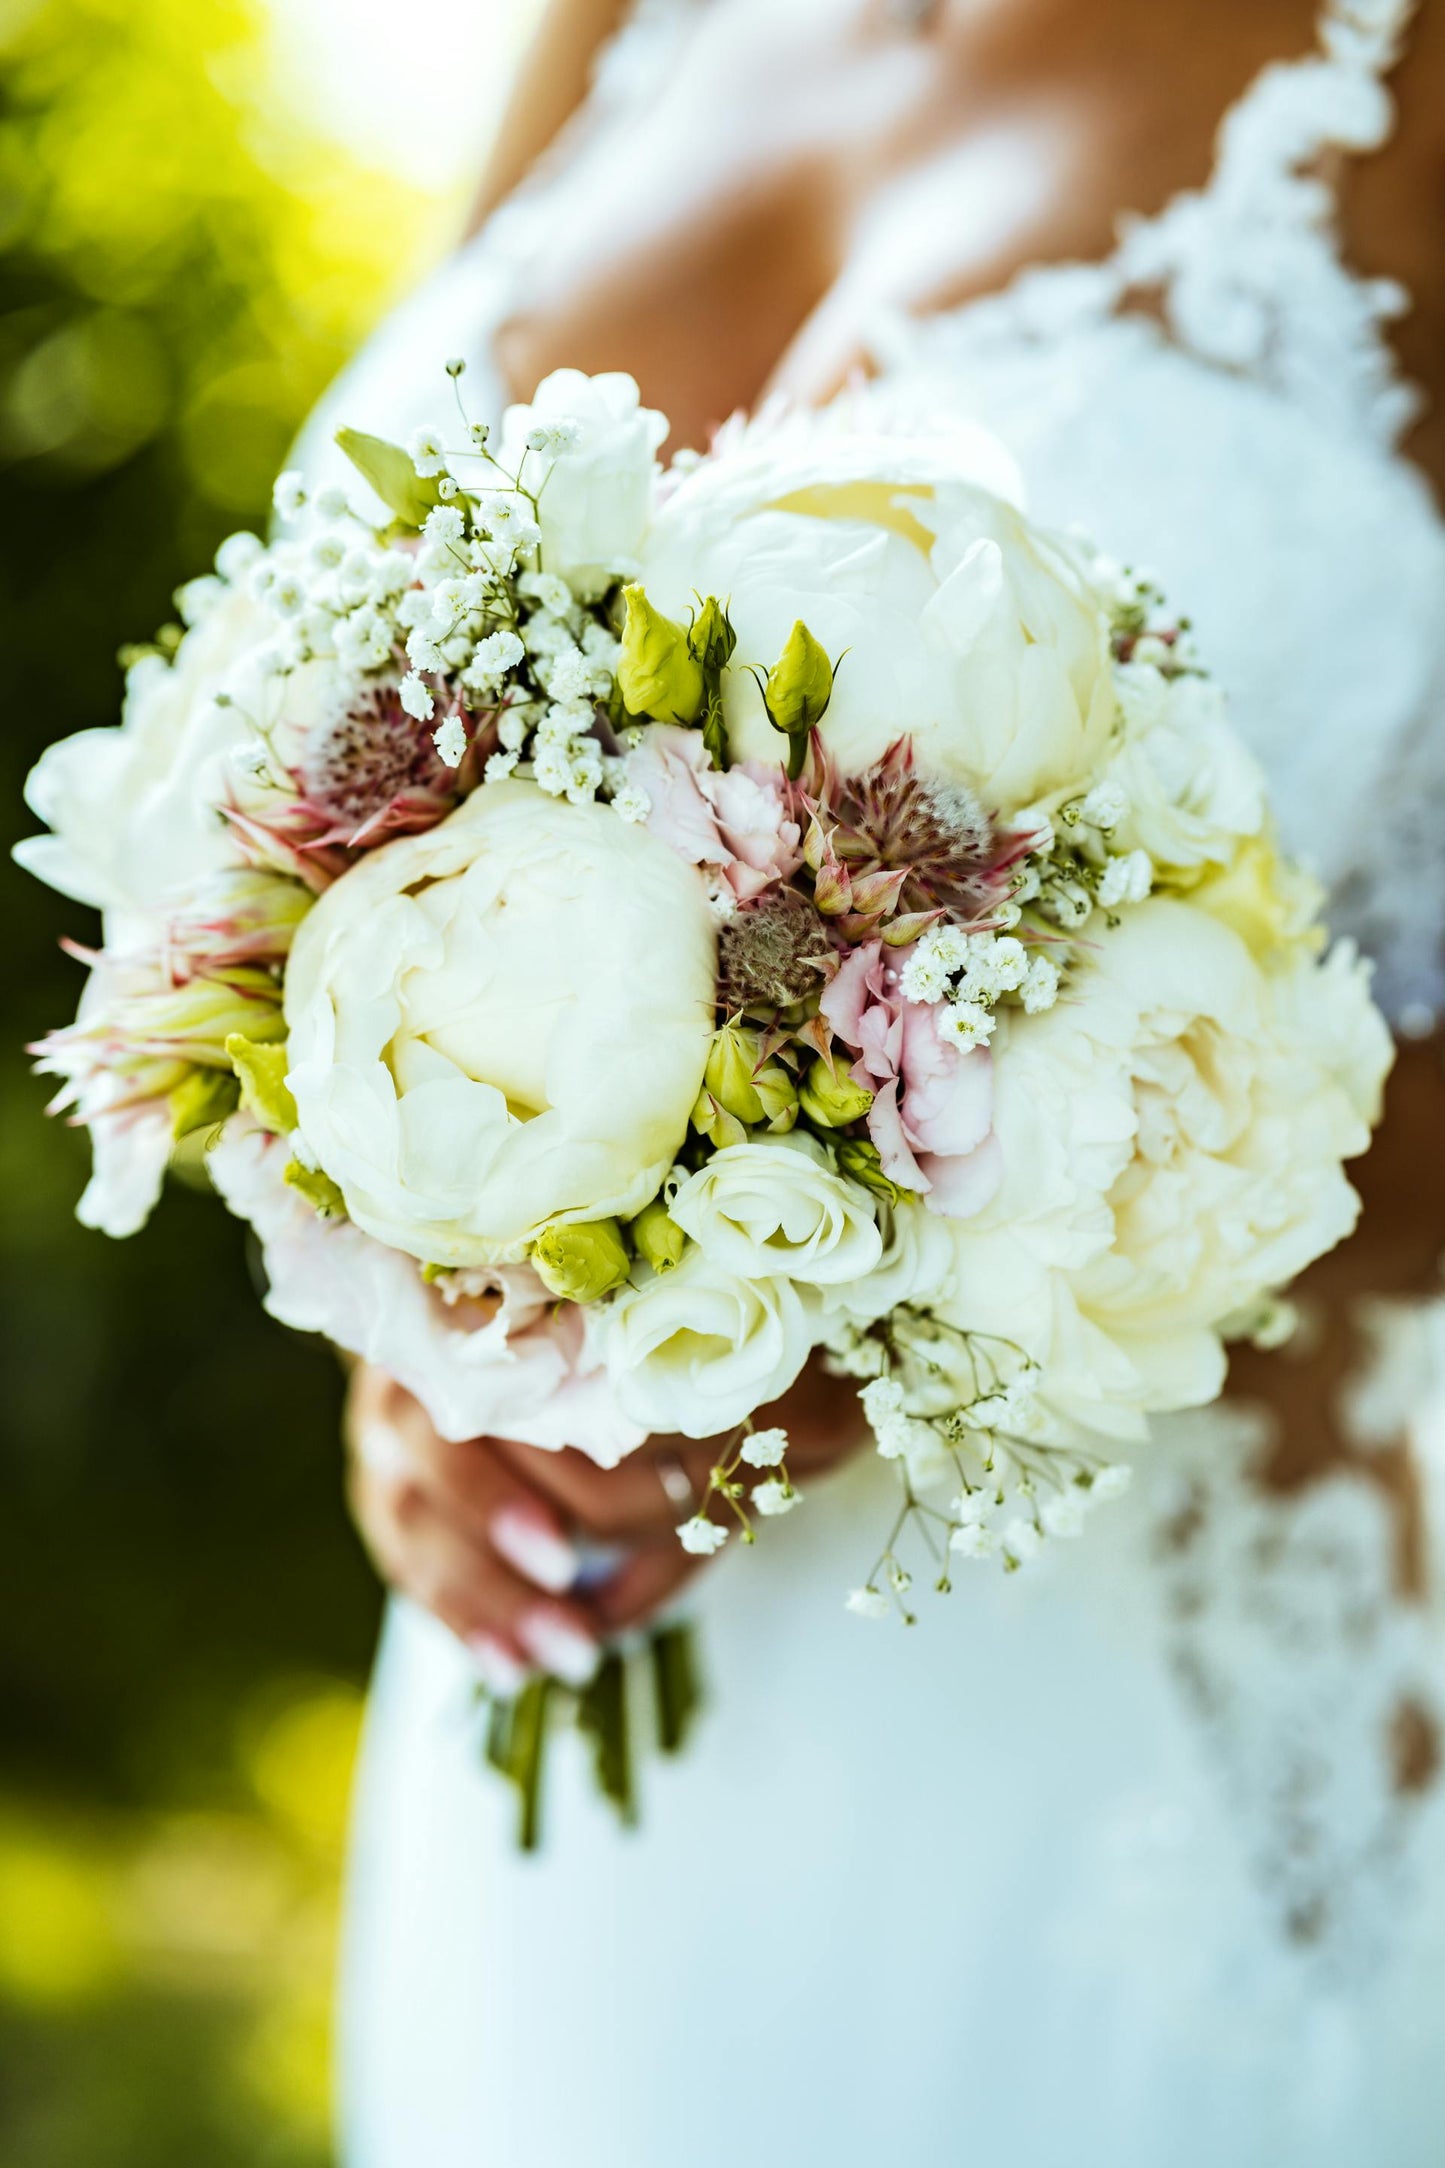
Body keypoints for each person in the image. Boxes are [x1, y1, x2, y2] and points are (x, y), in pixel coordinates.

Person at [293, 3, 1445, 2160]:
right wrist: (410, 1306)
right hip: (546, 1685)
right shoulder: (619, 23)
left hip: (1109, 1771)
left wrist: (921, 1304)